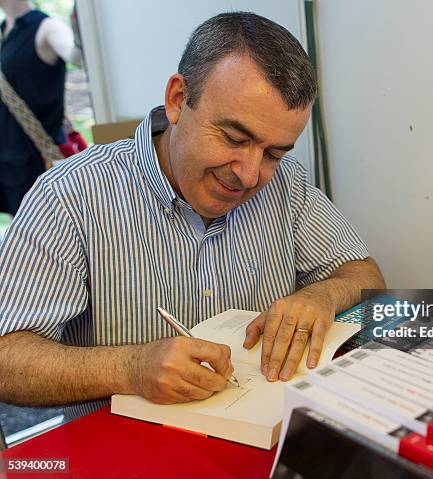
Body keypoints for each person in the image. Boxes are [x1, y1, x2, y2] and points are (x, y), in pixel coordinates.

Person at [0, 12, 385, 418]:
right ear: (178, 100)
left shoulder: (285, 184)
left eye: (273, 153)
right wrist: (130, 368)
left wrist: (320, 295)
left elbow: (365, 276)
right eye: (235, 138)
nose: (250, 175)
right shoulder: (70, 196)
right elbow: (7, 357)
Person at [0, 0, 82, 215]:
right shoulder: (4, 33)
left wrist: (80, 29)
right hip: (9, 163)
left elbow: (75, 55)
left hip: (38, 164)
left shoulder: (47, 27)